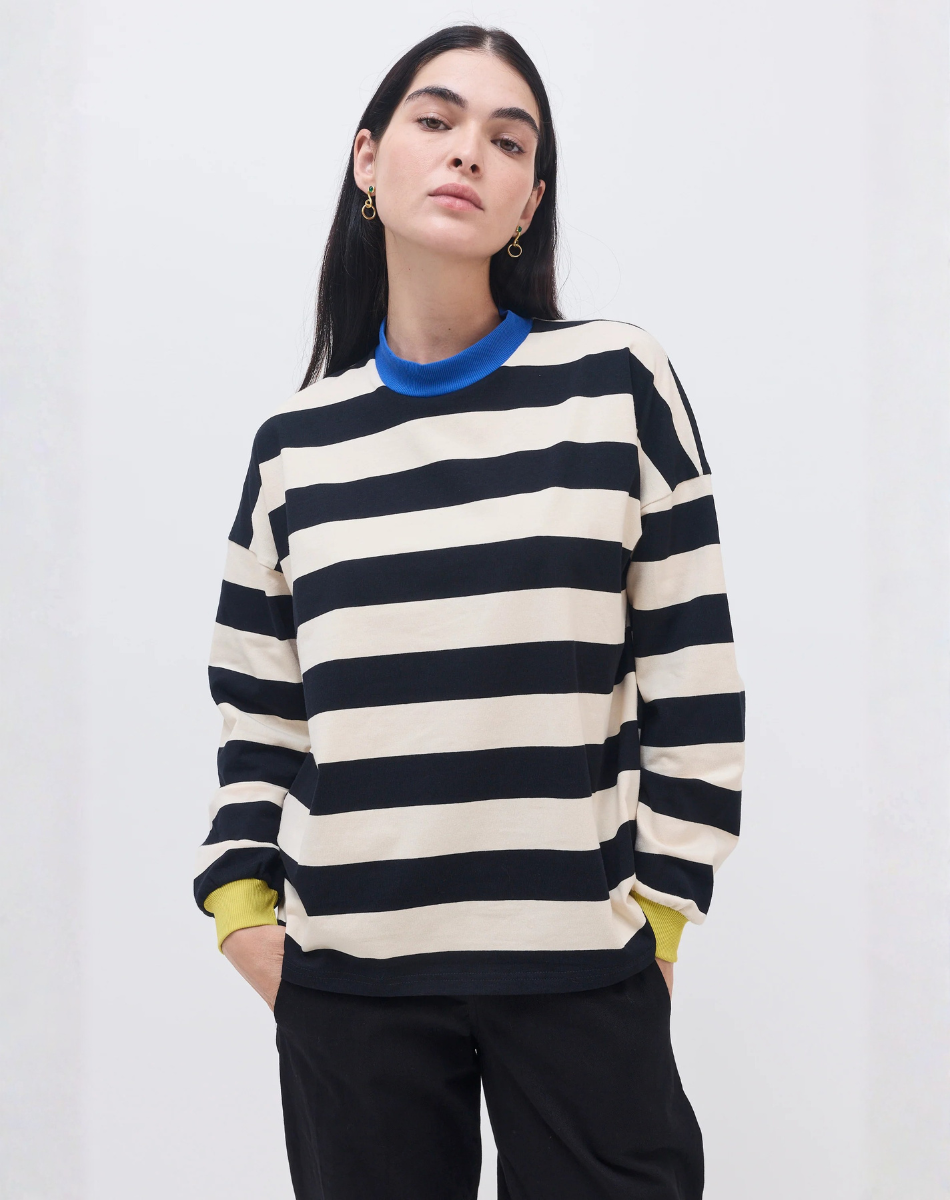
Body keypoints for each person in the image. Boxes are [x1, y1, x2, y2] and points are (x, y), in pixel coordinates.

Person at [193, 23, 745, 1200]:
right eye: (436, 121)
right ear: (367, 159)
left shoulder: (615, 384)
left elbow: (692, 671)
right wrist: (243, 911)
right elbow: (258, 714)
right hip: (350, 991)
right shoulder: (294, 448)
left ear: (528, 200)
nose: (467, 154)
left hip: (579, 975)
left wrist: (658, 920)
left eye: (507, 140)